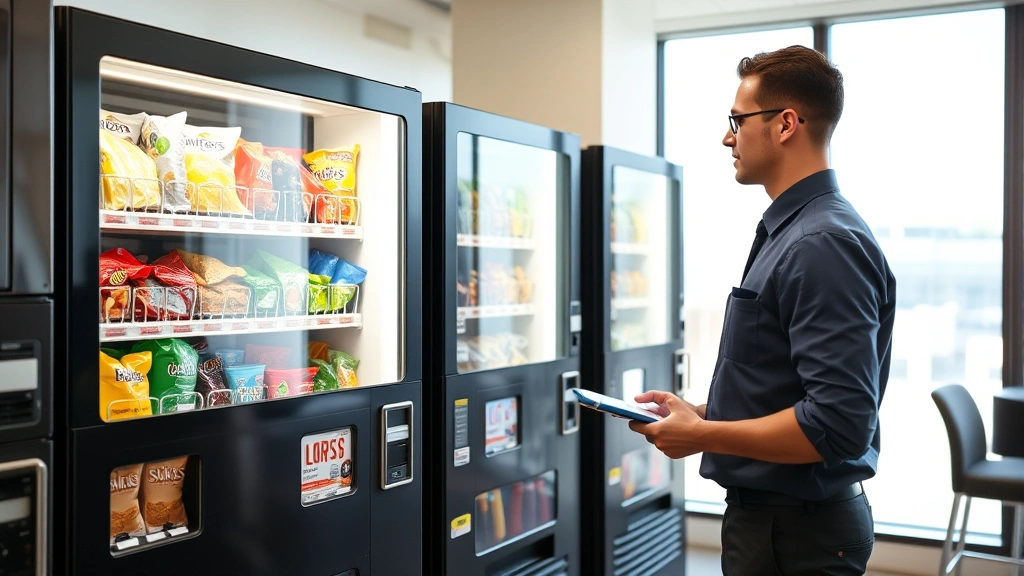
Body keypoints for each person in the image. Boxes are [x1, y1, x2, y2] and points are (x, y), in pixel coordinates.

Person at [629, 45, 896, 575]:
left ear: (785, 124)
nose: (727, 137)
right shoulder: (794, 232)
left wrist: (703, 436)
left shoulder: (820, 243)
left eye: (737, 120)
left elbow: (839, 425)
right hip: (775, 525)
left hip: (795, 532)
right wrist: (704, 413)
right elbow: (786, 386)